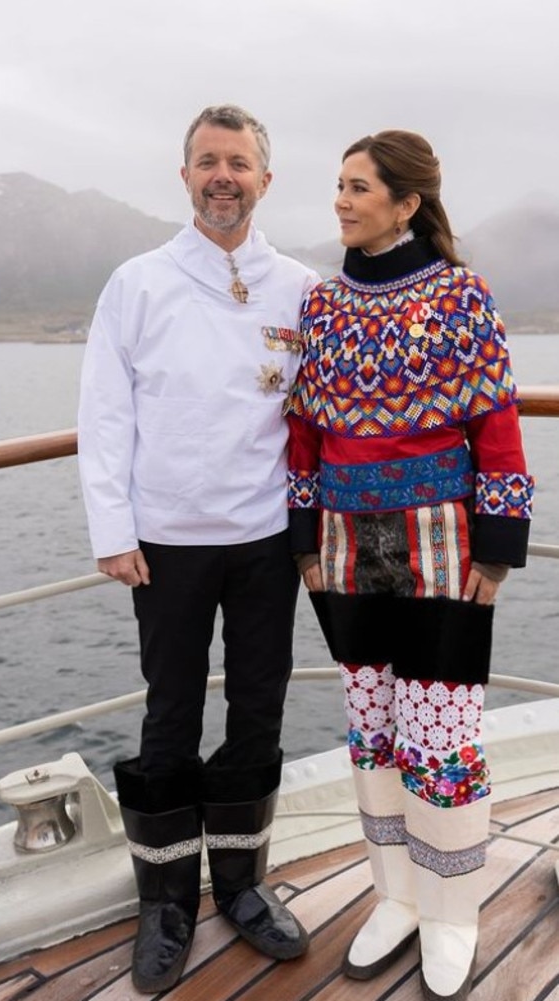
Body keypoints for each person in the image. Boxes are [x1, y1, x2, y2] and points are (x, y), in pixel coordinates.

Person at [286, 130, 533, 1001]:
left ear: (406, 203)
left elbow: (497, 428)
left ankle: (452, 908)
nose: (342, 201)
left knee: (442, 735)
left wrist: (499, 550)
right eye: (339, 186)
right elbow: (306, 435)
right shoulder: (321, 306)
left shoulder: (463, 296)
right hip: (349, 547)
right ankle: (395, 894)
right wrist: (304, 541)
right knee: (374, 729)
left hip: (442, 545)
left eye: (358, 188)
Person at [77, 104, 318, 993]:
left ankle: (244, 887)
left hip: (263, 539)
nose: (224, 175)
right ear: (184, 177)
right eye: (208, 161)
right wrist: (113, 529)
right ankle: (168, 900)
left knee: (258, 710)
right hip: (166, 541)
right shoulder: (136, 283)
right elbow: (103, 415)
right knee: (170, 715)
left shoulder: (298, 285)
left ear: (264, 178)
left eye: (240, 162)